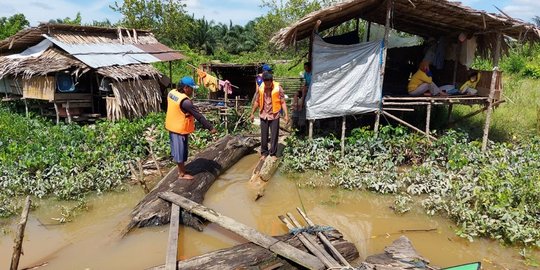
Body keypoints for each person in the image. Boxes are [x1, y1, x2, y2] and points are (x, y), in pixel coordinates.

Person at [165, 76, 217, 180]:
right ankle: (181, 174)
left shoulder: (172, 93)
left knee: (181, 150)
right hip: (178, 129)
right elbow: (198, 116)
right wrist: (210, 127)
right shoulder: (185, 102)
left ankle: (182, 169)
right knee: (180, 151)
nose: (192, 91)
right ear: (185, 88)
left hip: (172, 125)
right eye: (191, 88)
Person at [250, 72, 289, 160]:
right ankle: (264, 152)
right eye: (265, 84)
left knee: (274, 135)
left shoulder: (278, 88)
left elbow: (282, 102)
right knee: (264, 134)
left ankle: (273, 153)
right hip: (264, 114)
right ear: (263, 82)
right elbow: (257, 101)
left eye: (269, 84)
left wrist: (286, 115)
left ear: (272, 81)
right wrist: (252, 113)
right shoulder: (261, 88)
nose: (267, 86)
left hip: (274, 115)